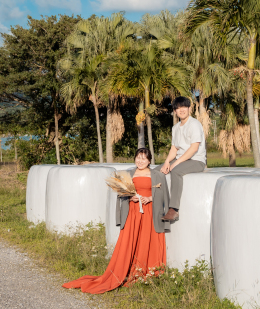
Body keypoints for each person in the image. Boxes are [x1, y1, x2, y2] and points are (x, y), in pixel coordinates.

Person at [63, 148, 169, 293]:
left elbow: (164, 196)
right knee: (128, 242)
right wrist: (130, 197)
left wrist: (150, 198)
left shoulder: (158, 175)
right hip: (133, 213)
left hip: (150, 213)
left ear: (149, 160)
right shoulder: (128, 174)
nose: (140, 161)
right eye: (138, 157)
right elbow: (121, 195)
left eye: (144, 158)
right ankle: (125, 271)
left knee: (146, 241)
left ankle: (146, 272)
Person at [158, 96, 206, 222]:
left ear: (189, 108)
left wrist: (176, 163)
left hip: (196, 160)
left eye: (184, 107)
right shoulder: (175, 128)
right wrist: (167, 162)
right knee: (157, 171)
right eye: (178, 108)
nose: (181, 110)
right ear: (175, 111)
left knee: (176, 171)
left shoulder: (194, 124)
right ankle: (155, 203)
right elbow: (174, 148)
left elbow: (194, 148)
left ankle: (173, 209)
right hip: (180, 159)